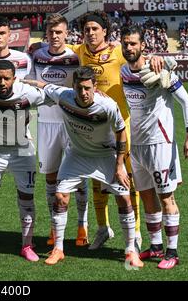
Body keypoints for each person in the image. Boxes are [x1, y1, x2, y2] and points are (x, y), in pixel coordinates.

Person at [40, 66, 143, 268]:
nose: (84, 93)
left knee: (123, 197)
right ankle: (58, 249)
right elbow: (41, 85)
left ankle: (131, 250)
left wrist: (119, 165)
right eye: (79, 88)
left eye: (88, 88)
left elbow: (121, 132)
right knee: (60, 196)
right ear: (73, 86)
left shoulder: (108, 106)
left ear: (95, 86)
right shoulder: (64, 96)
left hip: (105, 155)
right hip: (77, 155)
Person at [120, 25, 188, 269]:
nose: (129, 48)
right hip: (138, 144)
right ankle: (155, 247)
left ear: (143, 45)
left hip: (160, 143)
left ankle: (172, 252)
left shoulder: (158, 69)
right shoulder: (123, 70)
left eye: (133, 43)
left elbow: (186, 102)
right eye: (125, 44)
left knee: (166, 197)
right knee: (146, 195)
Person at [69, 10, 142, 250]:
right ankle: (103, 228)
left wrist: (162, 60)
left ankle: (137, 232)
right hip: (95, 127)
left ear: (105, 31)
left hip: (122, 124)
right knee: (97, 178)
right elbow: (51, 45)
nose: (90, 33)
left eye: (94, 29)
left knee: (129, 178)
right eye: (86, 29)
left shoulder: (119, 51)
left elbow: (142, 59)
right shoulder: (80, 51)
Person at [25, 13, 89, 247]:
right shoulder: (37, 55)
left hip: (72, 124)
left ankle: (83, 226)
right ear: (46, 34)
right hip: (45, 124)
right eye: (51, 32)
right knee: (51, 177)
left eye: (59, 32)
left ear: (67, 34)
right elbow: (29, 82)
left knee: (78, 176)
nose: (54, 36)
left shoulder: (75, 57)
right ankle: (55, 228)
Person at [0, 60, 45, 262]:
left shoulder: (28, 93)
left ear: (14, 78)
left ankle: (27, 245)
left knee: (26, 198)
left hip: (22, 151)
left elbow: (55, 95)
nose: (2, 82)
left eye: (6, 78)